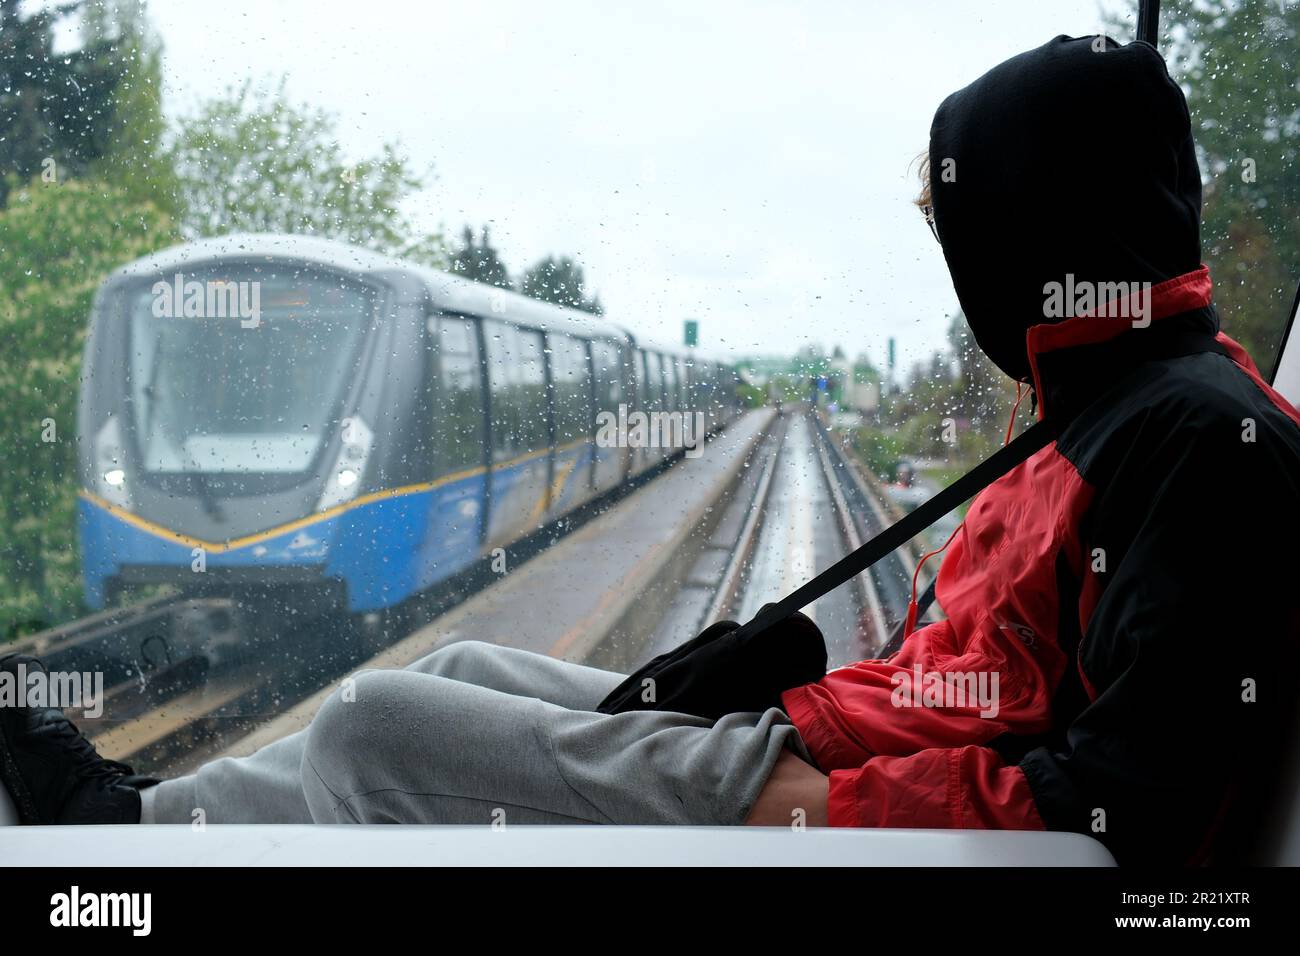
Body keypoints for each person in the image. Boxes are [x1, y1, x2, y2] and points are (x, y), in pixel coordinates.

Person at [3, 34, 1298, 864]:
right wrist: (778, 689)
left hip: (864, 805)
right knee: (450, 666)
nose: (963, 282)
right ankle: (133, 828)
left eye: (966, 236)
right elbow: (989, 677)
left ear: (1037, 231)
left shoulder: (1202, 442)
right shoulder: (1104, 400)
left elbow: (1131, 806)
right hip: (859, 745)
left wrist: (793, 795)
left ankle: (131, 847)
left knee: (373, 725)